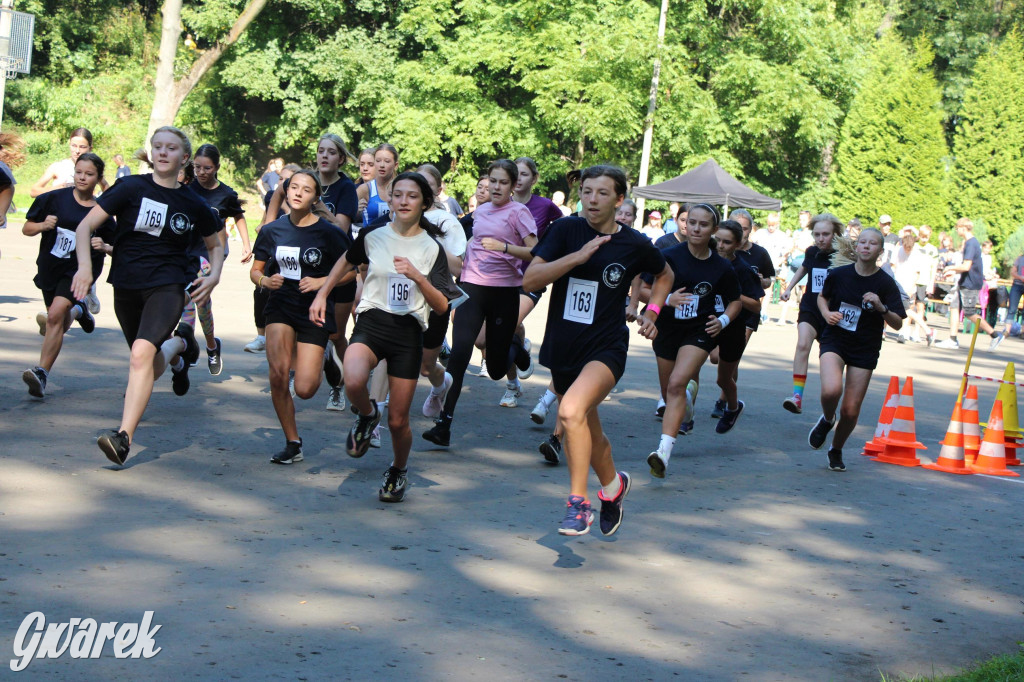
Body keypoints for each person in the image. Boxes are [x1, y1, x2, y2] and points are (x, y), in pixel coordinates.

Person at [523, 164, 671, 536]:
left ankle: (578, 504)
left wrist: (652, 311)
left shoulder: (635, 243)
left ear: (620, 199)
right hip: (564, 344)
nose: (592, 199)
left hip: (606, 346)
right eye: (587, 191)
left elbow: (665, 275)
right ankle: (613, 486)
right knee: (587, 428)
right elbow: (531, 278)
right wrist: (577, 257)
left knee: (570, 411)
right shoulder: (565, 231)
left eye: (602, 193)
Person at [69, 126, 222, 465]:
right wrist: (84, 269)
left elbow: (216, 247)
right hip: (125, 285)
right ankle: (180, 347)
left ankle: (123, 437)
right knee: (147, 363)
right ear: (151, 152)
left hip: (168, 286)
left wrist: (214, 276)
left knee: (139, 355)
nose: (163, 152)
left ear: (184, 158)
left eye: (171, 148)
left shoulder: (193, 203)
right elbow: (84, 227)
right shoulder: (130, 187)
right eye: (157, 146)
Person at [312, 172, 459, 502]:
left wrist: (419, 277)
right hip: (371, 322)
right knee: (353, 380)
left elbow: (440, 305)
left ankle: (399, 468)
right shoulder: (372, 233)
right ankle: (367, 415)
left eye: (412, 196)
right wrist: (322, 293)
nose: (404, 201)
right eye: (398, 195)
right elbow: (346, 261)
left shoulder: (432, 248)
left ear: (424, 203)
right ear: (390, 200)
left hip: (408, 333)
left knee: (397, 422)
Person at [421, 159, 536, 447]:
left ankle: (517, 350)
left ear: (512, 186)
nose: (496, 187)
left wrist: (505, 247)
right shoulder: (480, 211)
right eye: (492, 181)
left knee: (496, 369)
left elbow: (536, 252)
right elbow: (457, 234)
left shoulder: (518, 213)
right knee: (459, 355)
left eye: (503, 182)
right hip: (471, 288)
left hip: (504, 293)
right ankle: (443, 425)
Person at [250, 170, 351, 465]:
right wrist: (264, 282)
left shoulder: (329, 233)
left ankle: (328, 355)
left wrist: (322, 283)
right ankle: (292, 442)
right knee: (279, 375)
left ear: (315, 198)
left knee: (305, 389)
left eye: (306, 190)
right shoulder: (272, 231)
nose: (297, 193)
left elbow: (352, 271)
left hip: (314, 310)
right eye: (293, 187)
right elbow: (256, 270)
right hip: (280, 306)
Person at [263, 134, 360, 410]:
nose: (324, 156)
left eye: (331, 152)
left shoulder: (345, 188)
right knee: (293, 325)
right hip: (300, 273)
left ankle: (342, 383)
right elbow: (277, 194)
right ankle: (314, 362)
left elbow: (340, 230)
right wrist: (270, 226)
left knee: (336, 335)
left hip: (335, 270)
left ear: (341, 158)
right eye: (320, 151)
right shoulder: (302, 180)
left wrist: (317, 214)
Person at [645, 204, 741, 478]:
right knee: (669, 393)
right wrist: (666, 300)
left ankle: (663, 452)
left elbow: (735, 300)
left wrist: (722, 321)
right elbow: (643, 289)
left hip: (700, 331)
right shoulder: (667, 256)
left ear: (713, 229)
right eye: (692, 223)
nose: (696, 228)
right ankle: (685, 413)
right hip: (666, 330)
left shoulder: (721, 266)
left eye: (703, 224)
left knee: (677, 384)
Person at [809, 228, 906, 471]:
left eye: (872, 244)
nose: (866, 246)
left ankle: (836, 449)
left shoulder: (886, 283)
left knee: (851, 410)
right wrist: (826, 313)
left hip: (865, 345)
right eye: (862, 242)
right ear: (856, 246)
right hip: (835, 339)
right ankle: (827, 419)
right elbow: (822, 297)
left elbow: (897, 322)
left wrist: (881, 307)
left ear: (880, 251)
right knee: (831, 390)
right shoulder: (839, 274)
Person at [21, 153, 115, 398]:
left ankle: (42, 372)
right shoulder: (53, 199)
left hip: (79, 273)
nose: (82, 177)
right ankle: (78, 311)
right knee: (58, 321)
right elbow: (26, 228)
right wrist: (43, 225)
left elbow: (119, 247)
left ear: (98, 178)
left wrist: (104, 246)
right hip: (50, 267)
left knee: (53, 316)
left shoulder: (102, 212)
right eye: (79, 172)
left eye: (89, 174)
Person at [496, 157, 564, 408]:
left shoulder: (546, 206)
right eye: (517, 174)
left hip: (531, 277)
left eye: (525, 174)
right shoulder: (501, 204)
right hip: (501, 276)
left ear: (533, 179)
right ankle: (513, 382)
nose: (520, 179)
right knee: (503, 332)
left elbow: (562, 227)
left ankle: (511, 388)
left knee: (508, 325)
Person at [191, 144, 252, 375]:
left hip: (212, 252)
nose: (202, 172)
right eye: (197, 167)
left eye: (207, 168)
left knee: (197, 296)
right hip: (187, 249)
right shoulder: (186, 188)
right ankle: (208, 345)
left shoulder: (225, 194)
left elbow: (239, 216)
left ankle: (208, 347)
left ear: (216, 167)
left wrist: (246, 245)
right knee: (191, 300)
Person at [32, 128, 107, 315]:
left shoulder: (95, 168)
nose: (77, 150)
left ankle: (84, 294)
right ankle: (78, 312)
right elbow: (34, 190)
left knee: (63, 302)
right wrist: (57, 188)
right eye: (74, 145)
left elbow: (111, 196)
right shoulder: (58, 167)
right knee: (56, 312)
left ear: (90, 147)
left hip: (85, 233)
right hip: (59, 241)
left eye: (82, 146)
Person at [415, 164, 467, 420]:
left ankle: (439, 385)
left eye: (426, 184)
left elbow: (458, 266)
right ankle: (376, 411)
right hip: (401, 297)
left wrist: (430, 241)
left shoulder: (447, 221)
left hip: (435, 299)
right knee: (388, 353)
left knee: (426, 367)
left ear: (438, 189)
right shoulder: (400, 216)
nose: (420, 189)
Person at [777, 213, 844, 414]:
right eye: (817, 234)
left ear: (835, 234)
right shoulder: (811, 251)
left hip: (833, 312)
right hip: (811, 306)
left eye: (825, 234)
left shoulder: (844, 255)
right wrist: (789, 287)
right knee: (803, 343)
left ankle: (830, 401)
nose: (821, 238)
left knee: (828, 357)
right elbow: (804, 269)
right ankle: (797, 396)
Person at [708, 220, 764, 432]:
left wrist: (734, 295)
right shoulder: (708, 261)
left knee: (723, 379)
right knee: (688, 367)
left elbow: (755, 306)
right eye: (718, 240)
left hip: (734, 328)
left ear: (738, 244)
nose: (721, 245)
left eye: (727, 242)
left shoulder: (744, 270)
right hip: (707, 323)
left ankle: (733, 406)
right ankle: (685, 414)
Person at [246, 164, 300, 354]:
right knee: (261, 289)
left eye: (287, 180)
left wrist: (284, 200)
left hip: (292, 253)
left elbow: (289, 217)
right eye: (280, 179)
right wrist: (261, 227)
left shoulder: (297, 202)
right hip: (272, 250)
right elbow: (265, 221)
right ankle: (261, 336)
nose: (282, 183)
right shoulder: (271, 197)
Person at [934, 218, 1004, 350]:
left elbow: (967, 266)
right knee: (954, 307)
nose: (957, 230)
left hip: (971, 283)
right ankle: (953, 339)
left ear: (963, 227)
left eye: (957, 227)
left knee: (969, 312)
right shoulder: (968, 242)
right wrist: (954, 272)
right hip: (965, 280)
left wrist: (951, 268)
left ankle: (995, 335)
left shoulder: (972, 243)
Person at [885, 225, 934, 344]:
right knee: (888, 306)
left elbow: (917, 273)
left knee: (907, 310)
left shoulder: (916, 253)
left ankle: (925, 330)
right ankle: (884, 329)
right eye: (906, 248)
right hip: (896, 282)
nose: (907, 250)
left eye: (909, 248)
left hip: (907, 286)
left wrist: (912, 287)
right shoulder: (898, 249)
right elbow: (892, 266)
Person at [356, 143, 397, 232]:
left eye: (387, 161)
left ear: (396, 165)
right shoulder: (364, 189)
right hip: (371, 241)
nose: (382, 165)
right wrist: (356, 210)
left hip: (396, 242)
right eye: (378, 161)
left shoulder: (402, 189)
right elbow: (348, 216)